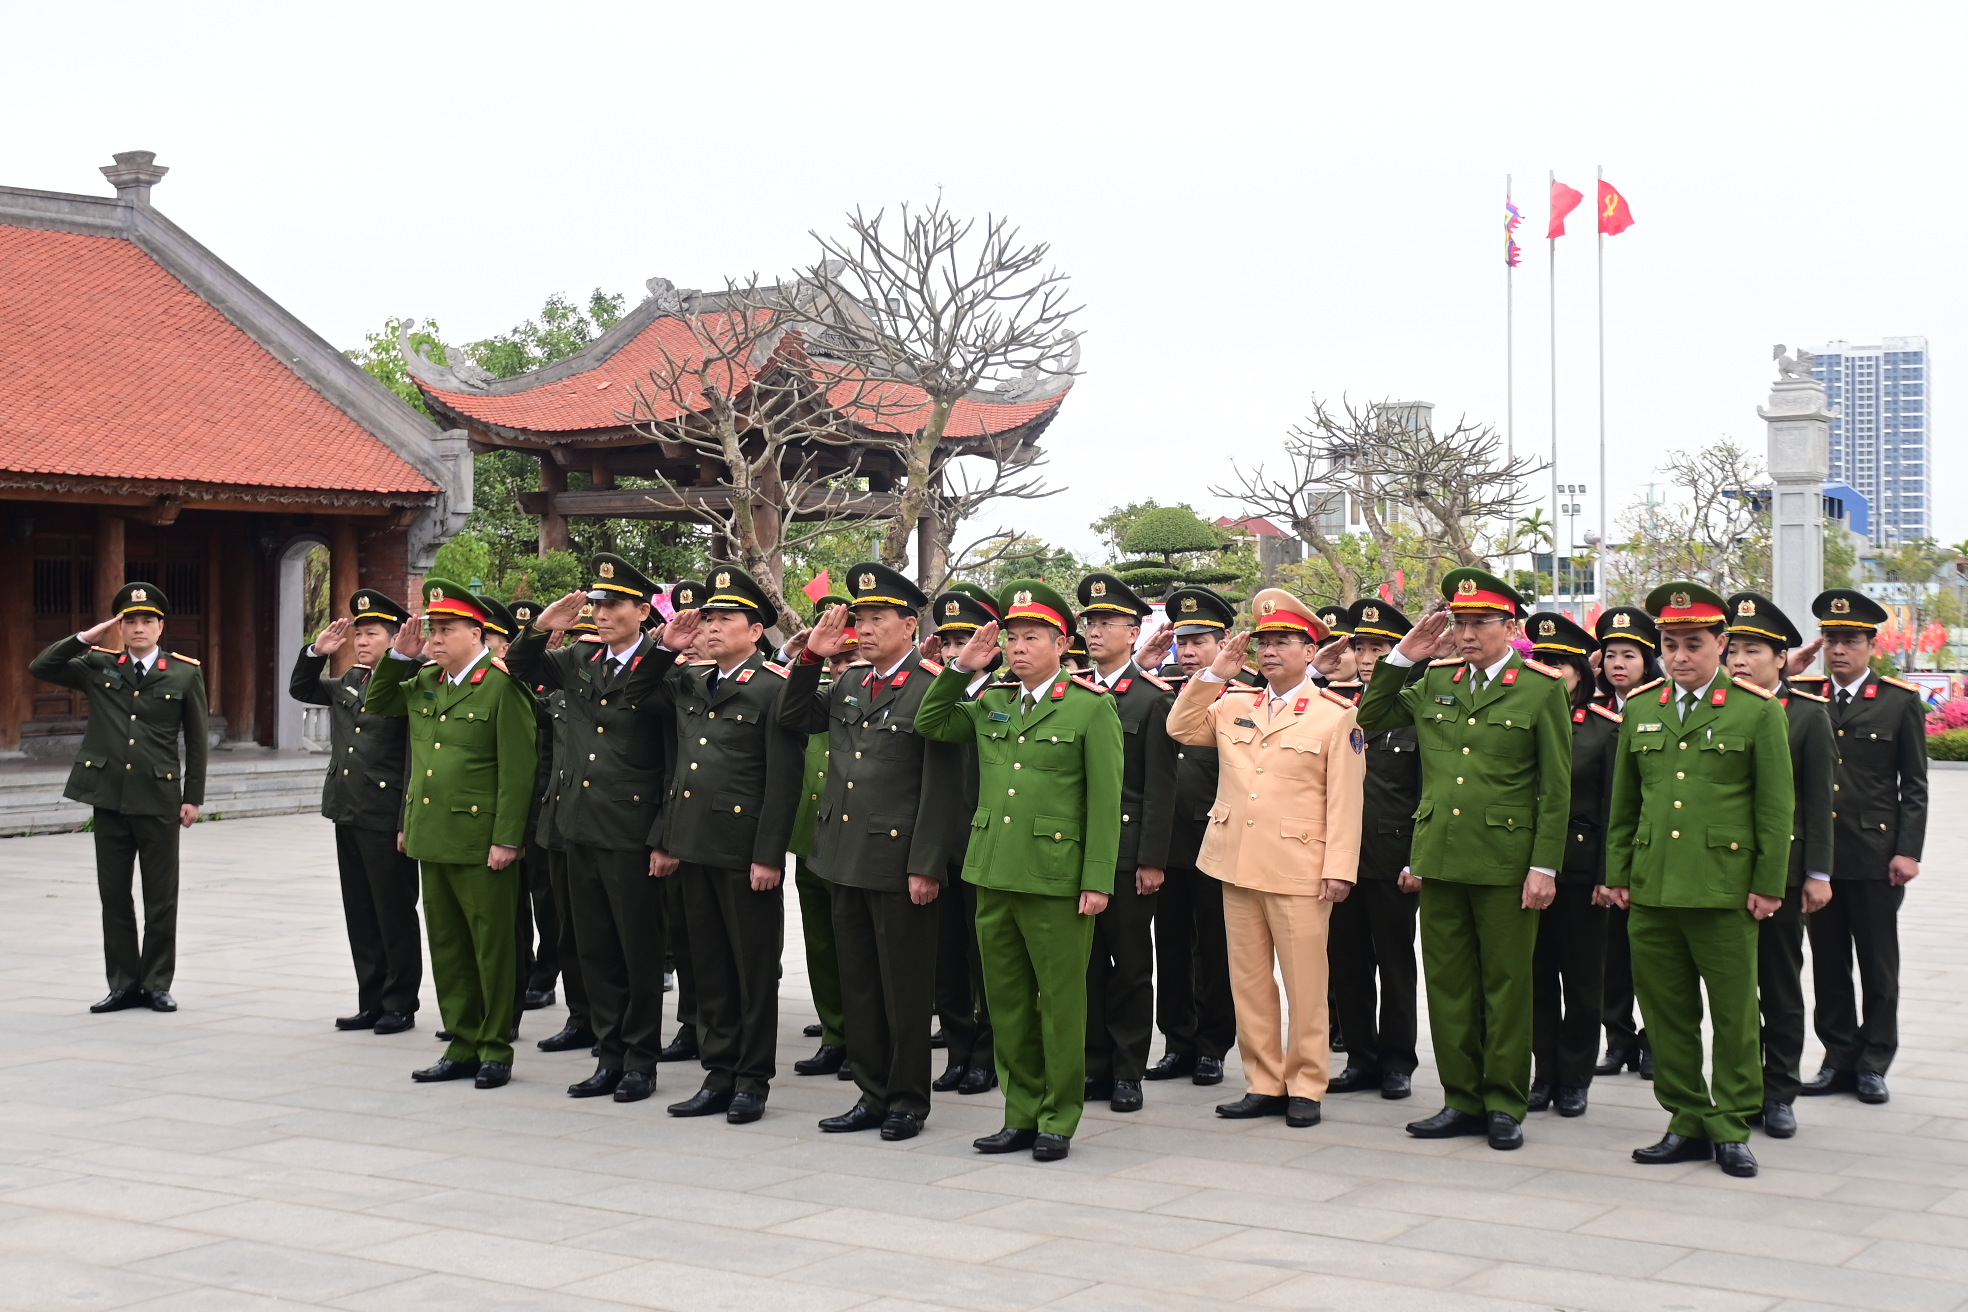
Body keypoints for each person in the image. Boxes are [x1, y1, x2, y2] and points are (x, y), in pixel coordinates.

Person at [1345, 568, 1571, 1151]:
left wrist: (1544, 866)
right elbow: (1371, 717)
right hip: (1440, 856)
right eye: (1461, 623)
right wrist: (1403, 656)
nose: (1467, 634)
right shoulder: (1436, 679)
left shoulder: (1540, 688)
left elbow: (1555, 787)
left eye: (1480, 624)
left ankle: (1504, 1102)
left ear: (1510, 627)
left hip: (1505, 862)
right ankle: (1461, 1098)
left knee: (1506, 986)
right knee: (1448, 986)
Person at [915, 580, 1125, 1162]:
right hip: (994, 871)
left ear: (1062, 643)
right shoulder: (993, 701)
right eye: (1012, 637)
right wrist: (961, 667)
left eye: (1033, 636)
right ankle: (1020, 1113)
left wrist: (1097, 879)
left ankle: (1058, 1117)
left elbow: (1105, 801)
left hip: (1056, 877)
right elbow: (931, 722)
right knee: (1005, 1003)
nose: (1019, 647)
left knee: (1059, 1004)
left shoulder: (1090, 706)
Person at [1605, 582, 1792, 1179]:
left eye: (1693, 644)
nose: (1680, 656)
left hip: (1723, 888)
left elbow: (1774, 809)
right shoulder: (1642, 707)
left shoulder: (1756, 710)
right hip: (1653, 886)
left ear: (1721, 644)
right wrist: (1618, 874)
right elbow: (1625, 804)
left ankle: (1731, 1124)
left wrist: (1768, 883)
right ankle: (1686, 1118)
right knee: (1666, 1013)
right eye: (1670, 644)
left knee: (1734, 1015)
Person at [780, 563, 965, 1141]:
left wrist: (926, 864)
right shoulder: (850, 682)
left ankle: (907, 1099)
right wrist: (811, 656)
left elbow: (942, 786)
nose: (864, 628)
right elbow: (792, 716)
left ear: (909, 625)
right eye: (859, 618)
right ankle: (871, 1092)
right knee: (858, 981)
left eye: (877, 617)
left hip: (899, 860)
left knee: (903, 988)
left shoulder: (932, 687)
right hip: (843, 855)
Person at [1168, 589, 1365, 1129]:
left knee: (1305, 985)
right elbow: (1180, 727)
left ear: (1310, 650)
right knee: (1249, 981)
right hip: (1235, 862)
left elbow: (1346, 801)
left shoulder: (1336, 715)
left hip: (1300, 867)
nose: (1271, 651)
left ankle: (1306, 1084)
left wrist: (1339, 868)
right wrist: (1214, 675)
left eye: (1283, 641)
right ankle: (1263, 1081)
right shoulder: (1234, 703)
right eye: (1264, 643)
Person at [507, 555, 693, 1105]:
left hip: (631, 830)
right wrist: (541, 626)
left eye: (614, 605)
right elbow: (519, 665)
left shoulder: (667, 667)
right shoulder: (579, 657)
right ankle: (609, 1055)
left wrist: (663, 835)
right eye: (597, 605)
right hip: (577, 826)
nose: (602, 614)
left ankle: (640, 1060)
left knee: (638, 951)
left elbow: (675, 758)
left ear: (642, 611)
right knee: (593, 949)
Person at [366, 580, 539, 1089]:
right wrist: (400, 657)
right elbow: (378, 704)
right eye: (432, 629)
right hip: (433, 835)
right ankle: (462, 1042)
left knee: (492, 948)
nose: (436, 639)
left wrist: (508, 839)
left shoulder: (502, 686)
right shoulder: (426, 680)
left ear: (476, 633)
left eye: (446, 630)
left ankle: (495, 1048)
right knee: (447, 946)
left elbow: (518, 771)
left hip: (481, 841)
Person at [648, 566, 803, 1124]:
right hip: (693, 843)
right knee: (708, 965)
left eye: (725, 619)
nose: (711, 627)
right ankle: (718, 1073)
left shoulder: (774, 688)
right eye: (708, 618)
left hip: (743, 852)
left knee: (752, 970)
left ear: (755, 631)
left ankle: (752, 1080)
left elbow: (783, 780)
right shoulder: (693, 681)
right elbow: (637, 698)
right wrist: (666, 649)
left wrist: (768, 855)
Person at [30, 582, 209, 1014]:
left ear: (161, 626)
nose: (138, 628)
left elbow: (197, 739)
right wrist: (85, 637)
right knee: (114, 895)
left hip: (159, 796)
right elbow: (41, 666)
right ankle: (124, 984)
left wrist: (193, 796)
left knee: (161, 899)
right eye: (130, 621)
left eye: (147, 620)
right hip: (109, 795)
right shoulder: (98, 664)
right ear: (120, 627)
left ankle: (157, 983)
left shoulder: (184, 673)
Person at [1800, 588, 1927, 1106]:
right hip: (1820, 858)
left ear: (1871, 646)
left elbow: (1913, 784)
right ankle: (1837, 1058)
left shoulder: (1899, 701)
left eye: (1850, 640)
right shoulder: (1804, 695)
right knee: (1829, 966)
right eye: (1831, 639)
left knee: (1878, 966)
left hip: (1875, 857)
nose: (1839, 650)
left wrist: (1908, 851)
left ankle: (1874, 1061)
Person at [1723, 591, 1834, 1139]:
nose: (1740, 661)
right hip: (1722, 870)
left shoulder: (1807, 715)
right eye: (1734, 651)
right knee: (1733, 992)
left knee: (1780, 985)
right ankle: (1741, 1088)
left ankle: (1780, 1090)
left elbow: (1819, 800)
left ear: (1781, 658)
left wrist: (1818, 873)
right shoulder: (1716, 708)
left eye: (1753, 651)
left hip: (1783, 874)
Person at [289, 590, 421, 1034]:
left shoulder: (412, 682)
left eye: (372, 634)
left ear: (395, 638)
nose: (361, 641)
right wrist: (316, 653)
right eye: (358, 634)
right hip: (347, 808)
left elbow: (414, 757)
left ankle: (400, 1003)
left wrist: (405, 821)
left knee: (393, 911)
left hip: (385, 813)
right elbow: (302, 689)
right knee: (360, 912)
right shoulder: (350, 680)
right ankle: (371, 1000)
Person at [1075, 572, 1177, 1115]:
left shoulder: (1151, 699)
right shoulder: (1073, 692)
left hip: (1127, 852)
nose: (1094, 632)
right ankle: (1093, 1064)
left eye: (1107, 622)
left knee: (1131, 965)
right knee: (1085, 964)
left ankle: (1127, 1070)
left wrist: (1152, 859)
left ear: (1133, 632)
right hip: (1076, 850)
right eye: (1090, 622)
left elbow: (1161, 786)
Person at [1145, 586, 1245, 1088]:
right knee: (1171, 947)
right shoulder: (1160, 689)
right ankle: (1177, 1042)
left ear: (1223, 643)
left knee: (1215, 949)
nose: (1187, 652)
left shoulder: (1245, 694)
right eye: (1182, 643)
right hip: (1168, 841)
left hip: (1220, 842)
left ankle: (1212, 1045)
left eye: (1199, 642)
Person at [1325, 598, 1422, 1101]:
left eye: (1379, 650)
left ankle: (1398, 1061)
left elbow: (1428, 790)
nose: (1367, 659)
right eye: (1361, 649)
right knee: (1347, 962)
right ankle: (1360, 1057)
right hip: (1342, 857)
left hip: (1392, 857)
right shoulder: (1339, 708)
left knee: (1395, 963)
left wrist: (1417, 859)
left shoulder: (1417, 708)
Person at [1523, 611, 1617, 1118]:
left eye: (1561, 662)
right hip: (1525, 868)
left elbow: (1614, 808)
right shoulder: (1522, 717)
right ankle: (1544, 1073)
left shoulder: (1603, 728)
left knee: (1582, 982)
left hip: (1580, 872)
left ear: (1582, 672)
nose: (1552, 671)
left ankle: (1576, 1077)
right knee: (1535, 978)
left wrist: (1607, 875)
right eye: (1542, 660)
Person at [928, 584, 1002, 1096]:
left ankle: (988, 1054)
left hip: (988, 844)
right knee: (947, 957)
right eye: (949, 644)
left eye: (967, 642)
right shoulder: (939, 692)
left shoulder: (1005, 695)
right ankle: (957, 1049)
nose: (956, 652)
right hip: (940, 844)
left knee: (986, 957)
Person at [1592, 605, 1663, 1080]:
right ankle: (1618, 1039)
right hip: (1605, 852)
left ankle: (1655, 1042)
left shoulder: (1662, 706)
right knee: (1611, 958)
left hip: (1652, 850)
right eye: (1611, 655)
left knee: (1653, 960)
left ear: (1647, 661)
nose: (1619, 664)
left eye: (1630, 655)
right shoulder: (1592, 712)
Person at [787, 592, 854, 1079]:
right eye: (834, 660)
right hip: (811, 840)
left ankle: (863, 1036)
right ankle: (835, 1032)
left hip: (855, 847)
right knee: (821, 944)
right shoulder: (817, 702)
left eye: (848, 658)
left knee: (856, 948)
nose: (839, 669)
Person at [531, 601, 601, 1056]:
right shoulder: (559, 694)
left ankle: (611, 1021)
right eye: (578, 642)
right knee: (567, 930)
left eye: (593, 642)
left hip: (602, 825)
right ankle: (580, 1017)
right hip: (558, 823)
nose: (585, 651)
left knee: (602, 933)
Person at [655, 580, 706, 1065]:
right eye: (684, 623)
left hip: (719, 831)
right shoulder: (674, 678)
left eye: (703, 623)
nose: (695, 634)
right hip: (672, 821)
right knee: (686, 934)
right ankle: (692, 1023)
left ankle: (715, 1029)